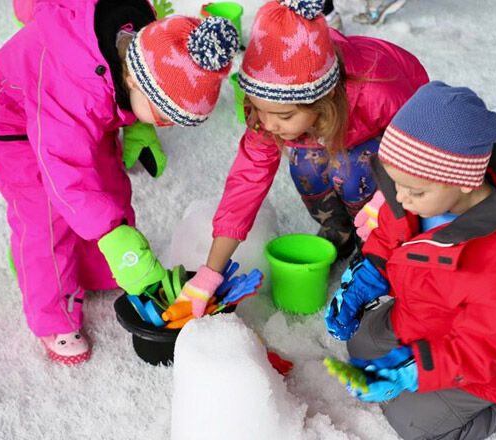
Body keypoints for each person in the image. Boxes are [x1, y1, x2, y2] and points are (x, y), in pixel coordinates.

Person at [0, 0, 238, 365]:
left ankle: (101, 267)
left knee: (109, 186)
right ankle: (54, 316)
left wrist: (140, 127)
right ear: (133, 80)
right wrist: (114, 237)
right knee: (47, 219)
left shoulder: (143, 39)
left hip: (88, 110)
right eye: (164, 117)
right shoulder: (75, 85)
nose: (167, 127)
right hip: (18, 118)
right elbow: (67, 167)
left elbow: (147, 85)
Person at [323, 81, 496, 439]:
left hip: (482, 359)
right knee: (360, 345)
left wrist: (413, 371)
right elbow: (391, 234)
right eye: (395, 183)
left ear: (464, 181)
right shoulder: (419, 198)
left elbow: (484, 347)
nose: (400, 198)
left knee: (413, 424)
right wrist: (366, 277)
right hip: (424, 316)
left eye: (415, 190)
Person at [173, 0, 428, 318]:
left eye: (283, 115)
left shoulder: (377, 89)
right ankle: (339, 230)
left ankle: (374, 238)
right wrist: (209, 273)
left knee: (350, 170)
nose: (267, 124)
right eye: (258, 108)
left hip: (392, 137)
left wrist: (386, 198)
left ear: (324, 100)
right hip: (329, 126)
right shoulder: (269, 110)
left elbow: (424, 140)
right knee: (306, 163)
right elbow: (246, 184)